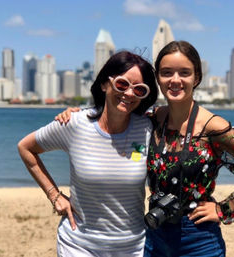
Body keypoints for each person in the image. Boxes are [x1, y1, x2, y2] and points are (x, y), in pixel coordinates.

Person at [56, 41, 234, 257]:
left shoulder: (214, 128)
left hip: (198, 239)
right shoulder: (151, 119)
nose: (175, 80)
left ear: (197, 78)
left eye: (184, 72)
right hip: (154, 234)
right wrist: (80, 115)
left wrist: (223, 210)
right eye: (166, 72)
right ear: (158, 79)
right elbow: (114, 112)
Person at [18, 51, 158, 257]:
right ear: (104, 84)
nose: (129, 93)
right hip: (78, 245)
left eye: (139, 89)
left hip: (133, 247)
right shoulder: (75, 124)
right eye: (122, 84)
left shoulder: (148, 128)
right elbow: (26, 148)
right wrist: (54, 195)